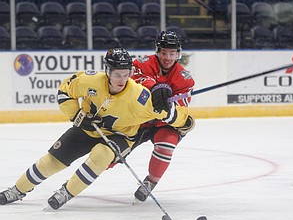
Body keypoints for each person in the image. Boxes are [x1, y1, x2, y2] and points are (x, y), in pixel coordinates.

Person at [0, 48, 190, 210]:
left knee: (101, 155)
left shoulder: (139, 97)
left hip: (120, 136)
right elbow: (64, 91)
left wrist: (185, 121)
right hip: (87, 128)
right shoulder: (89, 81)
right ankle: (18, 190)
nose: (121, 79)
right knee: (52, 162)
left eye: (126, 74)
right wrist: (77, 116)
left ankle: (66, 192)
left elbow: (173, 116)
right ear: (107, 71)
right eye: (117, 74)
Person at [129, 30, 195, 202]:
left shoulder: (185, 79)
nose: (168, 57)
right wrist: (156, 89)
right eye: (164, 52)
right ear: (157, 51)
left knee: (167, 145)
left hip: (162, 123)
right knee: (110, 154)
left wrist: (168, 107)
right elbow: (133, 83)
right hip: (138, 119)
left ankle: (150, 182)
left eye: (172, 53)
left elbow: (182, 107)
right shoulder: (142, 64)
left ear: (178, 54)